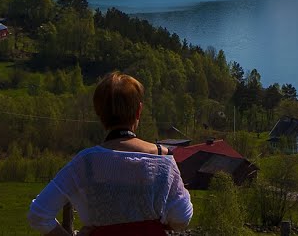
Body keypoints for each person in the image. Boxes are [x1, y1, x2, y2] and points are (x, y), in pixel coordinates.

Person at [27, 72, 193, 235]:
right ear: (138, 111)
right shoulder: (162, 159)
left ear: (100, 114)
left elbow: (39, 214)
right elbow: (182, 218)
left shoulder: (86, 162)